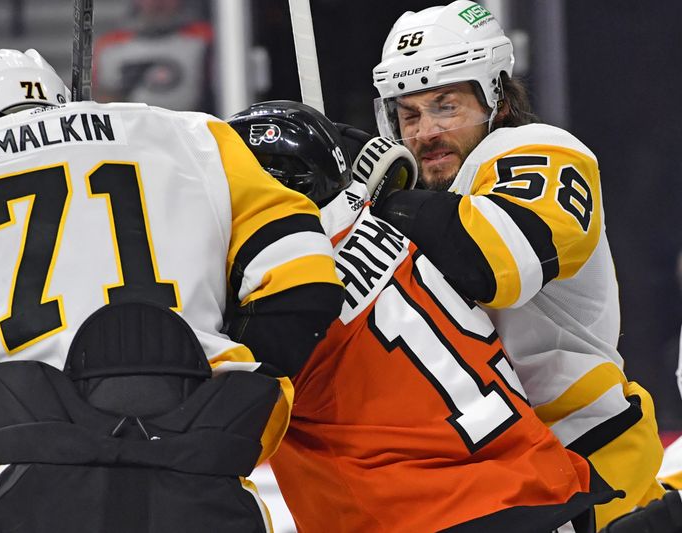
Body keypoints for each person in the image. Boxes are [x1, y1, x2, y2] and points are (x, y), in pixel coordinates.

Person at [0, 46, 344, 532]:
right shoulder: (198, 137)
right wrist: (223, 377)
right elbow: (305, 279)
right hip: (204, 475)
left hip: (32, 486)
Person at [229, 99, 619, 532]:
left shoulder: (287, 292)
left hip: (436, 510)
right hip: (541, 483)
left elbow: (219, 437)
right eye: (410, 115)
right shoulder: (397, 233)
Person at [365, 1, 665, 526]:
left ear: (497, 98)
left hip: (584, 457)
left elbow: (494, 261)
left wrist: (375, 202)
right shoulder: (412, 192)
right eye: (409, 114)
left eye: (445, 106)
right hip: (482, 471)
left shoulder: (540, 149)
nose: (424, 132)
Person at [93, 0, 213, 112]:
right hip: (129, 128)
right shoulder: (109, 46)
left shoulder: (205, 38)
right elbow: (97, 99)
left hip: (194, 128)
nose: (158, 2)